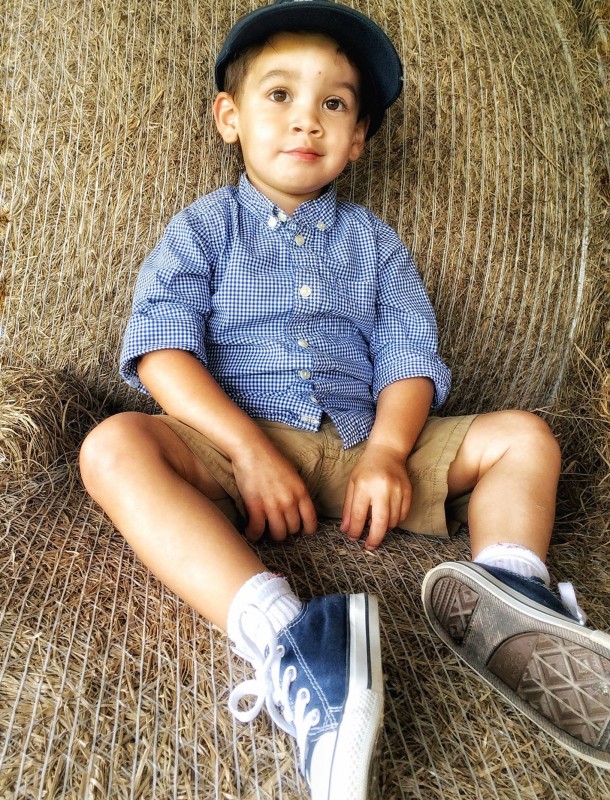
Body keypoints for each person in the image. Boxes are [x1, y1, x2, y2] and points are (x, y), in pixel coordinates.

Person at [79, 1, 610, 796]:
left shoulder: (375, 244)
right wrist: (248, 451)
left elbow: (408, 358)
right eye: (280, 95)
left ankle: (511, 599)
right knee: (113, 447)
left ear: (357, 138)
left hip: (367, 446)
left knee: (525, 438)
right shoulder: (203, 230)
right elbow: (161, 352)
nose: (307, 119)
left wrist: (391, 451)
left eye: (334, 103)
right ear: (229, 118)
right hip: (234, 447)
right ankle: (290, 638)